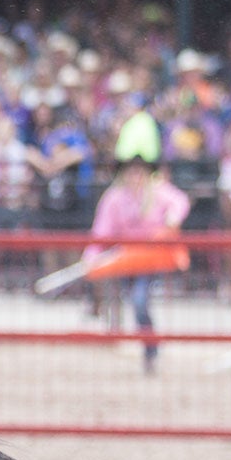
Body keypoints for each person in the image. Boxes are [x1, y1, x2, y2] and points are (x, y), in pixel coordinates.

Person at [86, 156, 190, 374]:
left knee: (139, 300)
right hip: (125, 259)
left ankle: (150, 349)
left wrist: (172, 218)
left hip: (151, 259)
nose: (135, 176)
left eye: (139, 171)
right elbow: (101, 231)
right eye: (131, 171)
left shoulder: (158, 192)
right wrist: (91, 257)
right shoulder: (114, 198)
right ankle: (148, 345)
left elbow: (180, 202)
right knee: (135, 302)